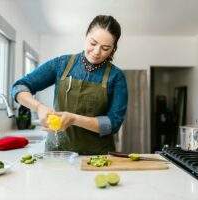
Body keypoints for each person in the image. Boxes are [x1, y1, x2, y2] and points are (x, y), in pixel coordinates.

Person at [11, 15, 128, 155]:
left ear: (113, 49)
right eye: (93, 43)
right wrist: (38, 107)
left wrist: (74, 119)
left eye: (105, 48)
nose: (97, 52)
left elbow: (112, 124)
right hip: (57, 153)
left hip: (96, 157)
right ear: (86, 37)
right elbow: (19, 87)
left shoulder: (116, 77)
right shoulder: (62, 64)